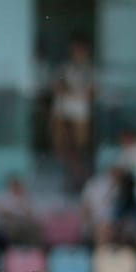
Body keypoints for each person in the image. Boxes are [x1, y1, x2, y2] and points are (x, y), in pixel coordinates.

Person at [50, 37, 97, 190]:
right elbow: (58, 87)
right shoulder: (65, 68)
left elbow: (92, 92)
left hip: (80, 114)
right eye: (76, 51)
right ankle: (70, 176)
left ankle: (80, 176)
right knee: (62, 145)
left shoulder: (90, 70)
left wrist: (74, 92)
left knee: (80, 146)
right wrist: (75, 92)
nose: (78, 54)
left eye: (81, 51)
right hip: (62, 111)